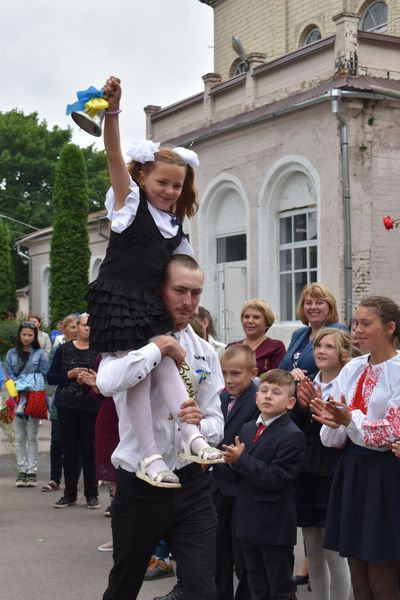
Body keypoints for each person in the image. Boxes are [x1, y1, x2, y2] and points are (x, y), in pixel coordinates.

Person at [86, 76, 222, 489]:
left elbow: (187, 266)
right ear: (143, 177)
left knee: (167, 358)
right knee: (140, 375)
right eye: (161, 182)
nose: (168, 190)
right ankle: (147, 454)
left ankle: (190, 435)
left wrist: (191, 302)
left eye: (176, 185)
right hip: (118, 299)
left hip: (148, 303)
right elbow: (112, 155)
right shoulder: (129, 205)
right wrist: (113, 112)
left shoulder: (175, 223)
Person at [96, 254, 224, 600]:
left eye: (196, 292)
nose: (188, 302)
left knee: (202, 589)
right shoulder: (127, 337)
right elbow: (108, 383)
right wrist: (157, 347)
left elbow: (216, 419)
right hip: (139, 485)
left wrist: (202, 425)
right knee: (125, 584)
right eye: (179, 290)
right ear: (159, 289)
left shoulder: (205, 352)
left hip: (190, 482)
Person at [311, 295, 400, 600]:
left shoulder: (399, 369)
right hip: (352, 471)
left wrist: (348, 420)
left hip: (385, 475)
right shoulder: (353, 368)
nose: (357, 330)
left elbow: (390, 432)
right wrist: (333, 421)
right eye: (355, 323)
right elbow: (335, 434)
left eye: (366, 323)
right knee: (358, 579)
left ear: (389, 328)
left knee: (381, 578)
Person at [223, 369, 305, 600]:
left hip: (274, 525)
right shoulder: (248, 428)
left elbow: (276, 478)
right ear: (256, 396)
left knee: (279, 588)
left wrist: (241, 460)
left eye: (276, 392)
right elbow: (239, 472)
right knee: (255, 585)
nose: (268, 396)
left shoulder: (292, 435)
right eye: (264, 391)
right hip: (248, 522)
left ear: (290, 403)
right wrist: (230, 462)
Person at [293, 328, 352, 599]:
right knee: (313, 550)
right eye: (318, 345)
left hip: (333, 472)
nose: (321, 350)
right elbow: (296, 431)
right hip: (307, 473)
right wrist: (302, 407)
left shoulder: (348, 386)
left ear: (342, 354)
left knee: (334, 553)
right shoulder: (306, 385)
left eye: (329, 346)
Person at [211, 344, 259, 600]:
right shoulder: (219, 397)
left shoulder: (259, 399)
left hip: (243, 487)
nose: (229, 380)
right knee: (219, 554)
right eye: (225, 373)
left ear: (253, 373)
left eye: (236, 374)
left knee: (243, 557)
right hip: (218, 486)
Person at [47, 313, 99, 508]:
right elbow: (51, 377)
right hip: (67, 405)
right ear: (76, 327)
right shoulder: (63, 349)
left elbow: (107, 378)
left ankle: (91, 494)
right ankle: (69, 493)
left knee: (90, 450)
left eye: (90, 326)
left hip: (90, 406)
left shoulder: (99, 351)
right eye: (84, 325)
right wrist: (69, 375)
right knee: (68, 450)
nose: (87, 329)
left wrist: (91, 379)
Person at [5, 320, 48, 487]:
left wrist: (23, 384)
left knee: (32, 436)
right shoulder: (10, 354)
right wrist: (19, 385)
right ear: (19, 335)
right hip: (16, 400)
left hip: (34, 399)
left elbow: (44, 376)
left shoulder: (40, 354)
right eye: (24, 334)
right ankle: (22, 470)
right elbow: (9, 377)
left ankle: (32, 470)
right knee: (19, 437)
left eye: (30, 335)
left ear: (35, 336)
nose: (27, 338)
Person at [279, 283, 347, 382]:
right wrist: (290, 375)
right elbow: (282, 367)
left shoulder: (337, 331)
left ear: (330, 306)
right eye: (308, 303)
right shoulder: (298, 334)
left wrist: (302, 378)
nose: (313, 307)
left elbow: (341, 368)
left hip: (319, 392)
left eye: (319, 302)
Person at [42, 314, 79, 493]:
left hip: (82, 403)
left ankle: (74, 480)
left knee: (79, 442)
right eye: (71, 327)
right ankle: (54, 478)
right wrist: (68, 376)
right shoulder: (59, 348)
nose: (75, 330)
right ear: (63, 328)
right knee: (57, 442)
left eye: (76, 327)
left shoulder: (90, 348)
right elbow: (51, 376)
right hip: (61, 402)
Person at [229, 299, 286, 375]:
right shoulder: (231, 347)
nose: (250, 321)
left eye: (256, 317)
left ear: (267, 322)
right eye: (246, 317)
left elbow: (278, 379)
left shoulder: (276, 347)